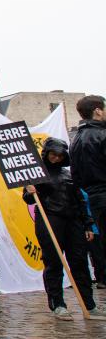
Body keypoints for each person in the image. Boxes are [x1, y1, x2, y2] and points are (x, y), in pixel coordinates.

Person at [24, 137, 106, 320]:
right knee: (53, 262)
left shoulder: (69, 174)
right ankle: (58, 304)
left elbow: (80, 200)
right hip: (50, 220)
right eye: (53, 154)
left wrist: (87, 225)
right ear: (46, 154)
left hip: (73, 221)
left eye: (60, 156)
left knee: (79, 262)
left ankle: (89, 305)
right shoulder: (36, 174)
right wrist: (30, 191)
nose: (56, 158)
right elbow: (28, 199)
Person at [71, 95, 106, 249]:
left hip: (92, 202)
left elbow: (75, 177)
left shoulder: (75, 140)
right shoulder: (102, 135)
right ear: (98, 111)